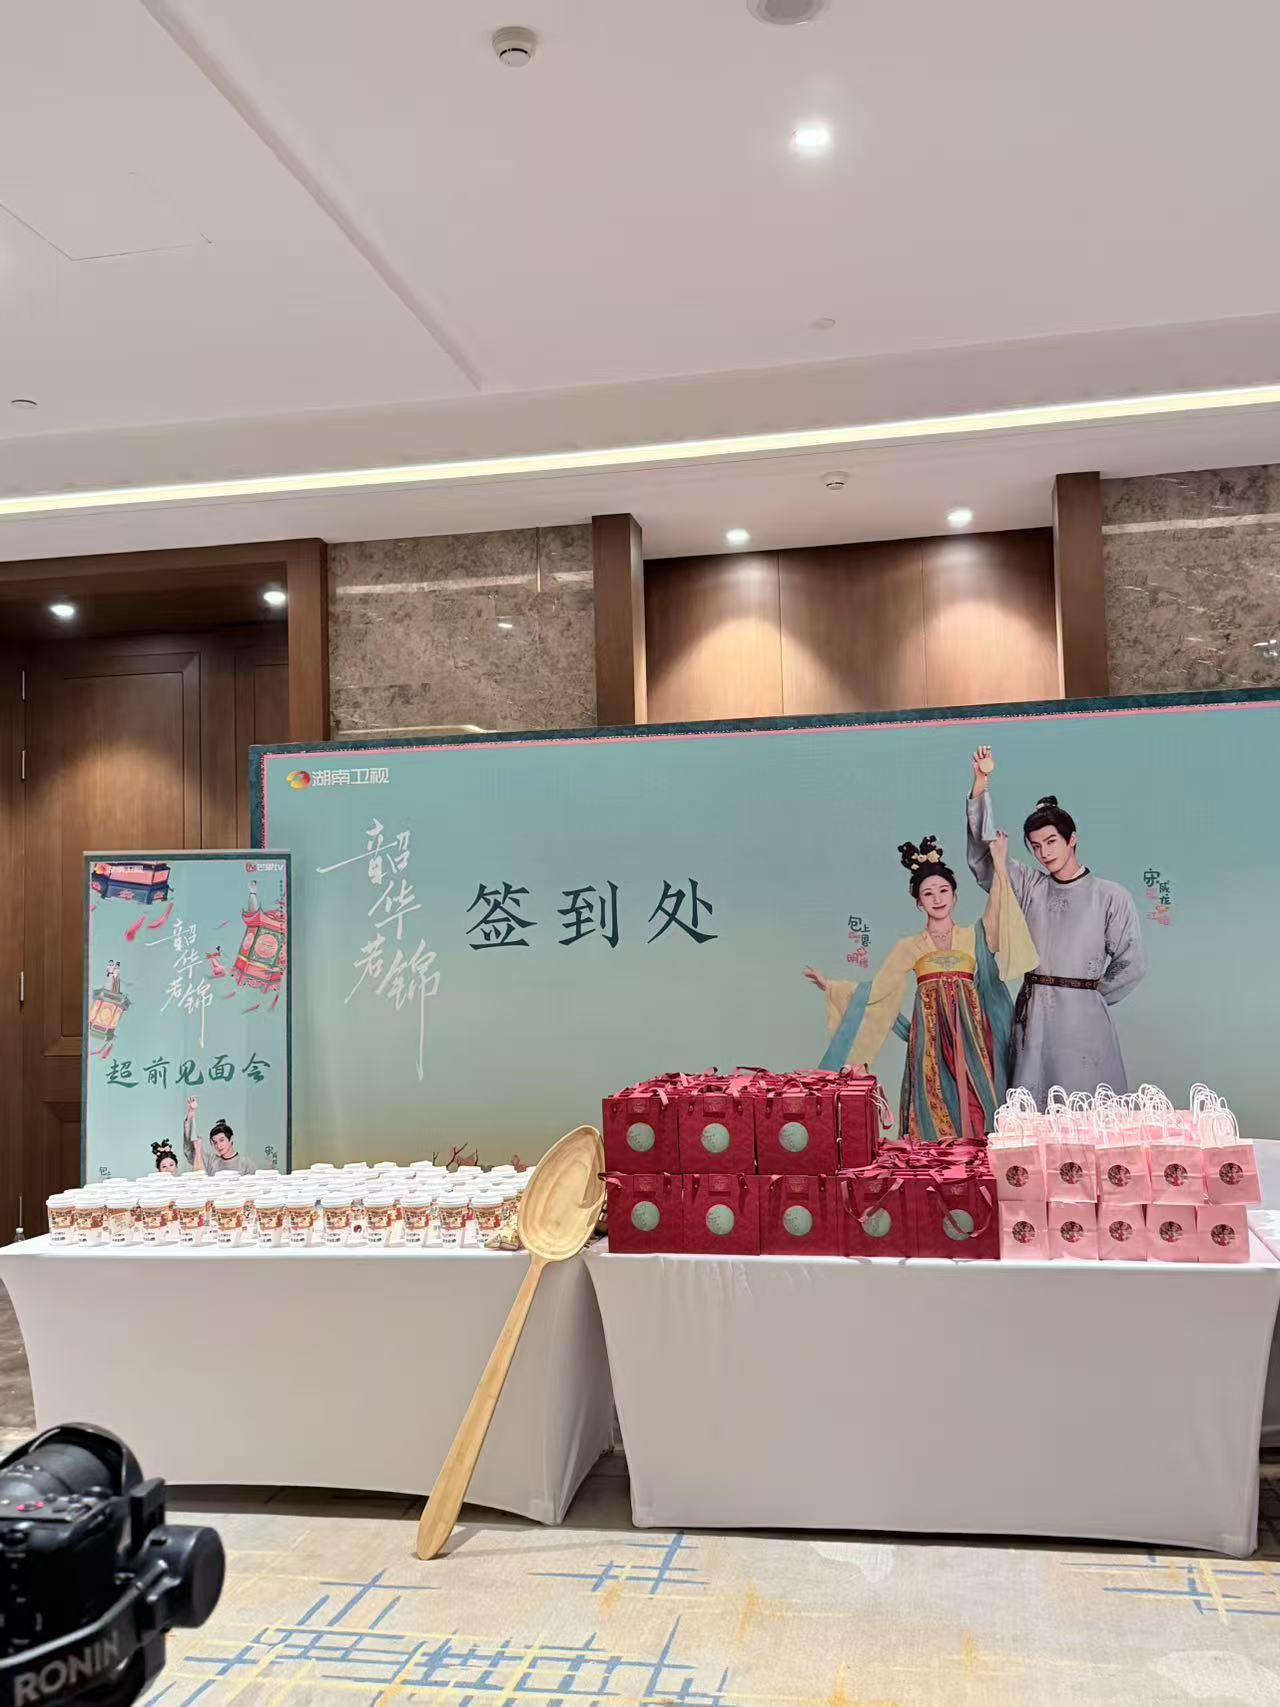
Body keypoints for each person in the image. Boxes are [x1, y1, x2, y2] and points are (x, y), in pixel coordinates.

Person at [803, 830, 1037, 1142]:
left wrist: (999, 860)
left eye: (943, 890)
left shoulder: (974, 936)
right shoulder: (909, 946)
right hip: (930, 1041)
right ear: (918, 902)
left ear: (955, 895)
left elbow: (997, 908)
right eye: (928, 894)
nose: (937, 899)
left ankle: (977, 1159)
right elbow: (878, 990)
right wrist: (832, 987)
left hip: (971, 1040)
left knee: (978, 1104)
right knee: (933, 1102)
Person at [966, 744, 1144, 1104]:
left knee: (1088, 1109)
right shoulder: (1030, 886)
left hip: (1084, 1021)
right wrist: (980, 785)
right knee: (1034, 1114)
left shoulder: (1110, 896)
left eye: (1051, 841)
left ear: (1072, 839)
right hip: (1034, 1018)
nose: (1044, 852)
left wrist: (1088, 995)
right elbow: (985, 858)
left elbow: (1132, 963)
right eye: (1035, 846)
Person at [182, 1095, 256, 1176]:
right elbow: (189, 1150)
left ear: (231, 1139)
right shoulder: (211, 1161)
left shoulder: (246, 1164)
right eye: (215, 1142)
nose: (218, 1145)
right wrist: (191, 1114)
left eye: (222, 1140)